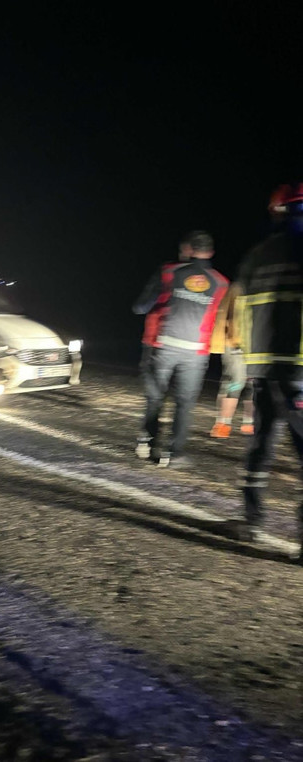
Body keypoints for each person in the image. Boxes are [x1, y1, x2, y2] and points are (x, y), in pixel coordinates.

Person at [236, 183, 303, 561]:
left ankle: (251, 522)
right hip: (299, 370)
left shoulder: (255, 257)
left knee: (260, 446)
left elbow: (244, 313)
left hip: (261, 370)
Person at [133, 230, 229, 467]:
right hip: (196, 352)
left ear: (188, 250)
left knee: (156, 397)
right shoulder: (221, 283)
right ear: (211, 252)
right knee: (185, 404)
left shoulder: (168, 272)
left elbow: (141, 307)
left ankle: (148, 443)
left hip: (164, 346)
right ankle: (174, 454)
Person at [209, 282, 254, 438]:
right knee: (236, 383)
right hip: (236, 345)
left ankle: (248, 423)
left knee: (247, 384)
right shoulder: (239, 288)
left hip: (243, 346)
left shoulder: (241, 288)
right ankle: (223, 424)